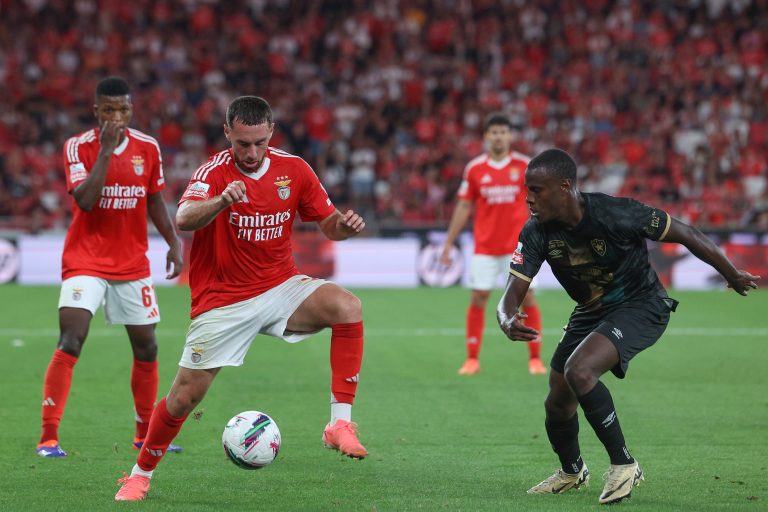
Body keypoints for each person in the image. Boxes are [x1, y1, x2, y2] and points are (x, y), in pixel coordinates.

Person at [115, 95, 368, 501]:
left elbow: (330, 226)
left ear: (271, 132)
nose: (251, 153)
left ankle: (339, 424)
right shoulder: (213, 173)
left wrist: (346, 225)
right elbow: (183, 218)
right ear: (227, 133)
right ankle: (139, 474)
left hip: (281, 287)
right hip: (224, 301)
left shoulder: (294, 169)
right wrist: (222, 201)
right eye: (242, 144)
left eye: (259, 143)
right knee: (184, 398)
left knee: (347, 306)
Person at [497, 148, 760, 504]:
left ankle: (624, 464)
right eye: (527, 190)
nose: (528, 198)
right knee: (557, 402)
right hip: (591, 311)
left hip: (642, 304)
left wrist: (731, 274)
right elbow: (512, 293)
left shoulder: (617, 213)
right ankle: (573, 471)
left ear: (564, 187)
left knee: (580, 370)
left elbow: (684, 232)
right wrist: (506, 316)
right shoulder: (537, 231)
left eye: (536, 190)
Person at [37, 76, 184, 457]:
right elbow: (85, 201)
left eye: (123, 109)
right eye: (108, 110)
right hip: (85, 259)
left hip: (132, 263)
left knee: (147, 346)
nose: (116, 116)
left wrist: (172, 241)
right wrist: (105, 151)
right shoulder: (78, 147)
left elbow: (153, 199)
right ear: (96, 111)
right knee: (72, 338)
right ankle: (48, 437)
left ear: (131, 110)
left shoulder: (148, 148)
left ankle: (143, 435)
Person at [440, 113, 546, 376]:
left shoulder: (524, 166)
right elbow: (464, 205)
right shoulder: (475, 169)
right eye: (494, 132)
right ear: (486, 136)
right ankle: (472, 358)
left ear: (510, 136)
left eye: (503, 132)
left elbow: (541, 202)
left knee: (527, 297)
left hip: (519, 248)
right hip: (485, 248)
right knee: (478, 298)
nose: (498, 136)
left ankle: (535, 358)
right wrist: (449, 242)